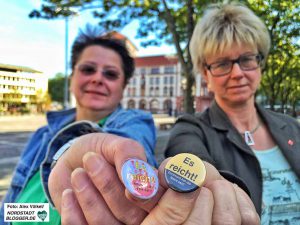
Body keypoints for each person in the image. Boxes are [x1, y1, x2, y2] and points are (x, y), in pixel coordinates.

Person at [0, 27, 157, 224]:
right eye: (88, 69)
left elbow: (129, 147)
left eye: (110, 74)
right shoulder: (42, 135)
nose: (97, 78)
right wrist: (32, 215)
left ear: (123, 86)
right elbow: (13, 209)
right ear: (72, 77)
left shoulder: (135, 123)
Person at [165, 1, 300, 224]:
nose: (237, 73)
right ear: (206, 75)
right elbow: (194, 168)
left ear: (260, 65)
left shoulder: (292, 127)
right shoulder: (190, 130)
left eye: (246, 59)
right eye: (222, 63)